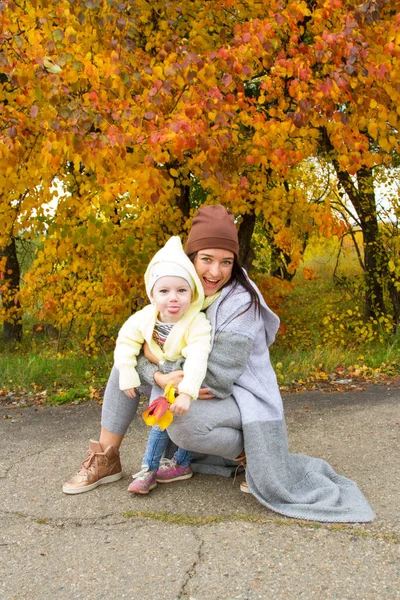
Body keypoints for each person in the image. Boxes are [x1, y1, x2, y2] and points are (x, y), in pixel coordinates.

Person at [63, 204, 375, 524]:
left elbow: (216, 380)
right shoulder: (180, 289)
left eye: (226, 262)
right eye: (207, 259)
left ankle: (251, 454)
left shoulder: (240, 303)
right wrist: (156, 372)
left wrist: (158, 368)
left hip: (241, 399)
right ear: (191, 258)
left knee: (179, 419)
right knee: (123, 366)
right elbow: (143, 348)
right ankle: (106, 458)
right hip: (192, 386)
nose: (215, 272)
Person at [64, 236, 211, 495]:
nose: (173, 298)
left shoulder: (196, 321)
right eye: (164, 291)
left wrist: (187, 392)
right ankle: (107, 458)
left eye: (182, 290)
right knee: (126, 371)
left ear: (193, 293)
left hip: (184, 381)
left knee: (161, 419)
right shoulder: (145, 317)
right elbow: (126, 341)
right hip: (162, 379)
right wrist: (130, 370)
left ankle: (160, 466)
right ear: (152, 294)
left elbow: (198, 355)